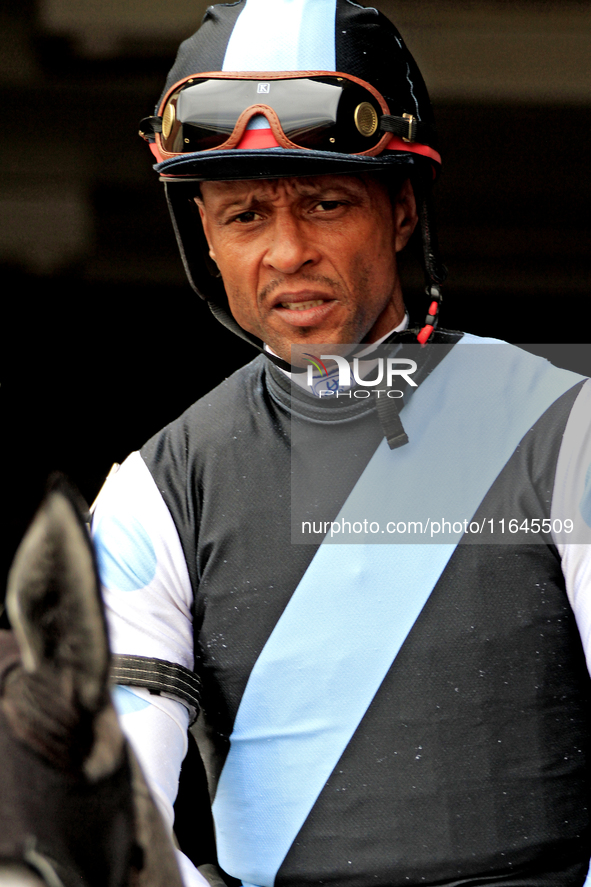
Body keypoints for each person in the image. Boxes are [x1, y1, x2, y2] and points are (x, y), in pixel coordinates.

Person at [91, 2, 591, 886]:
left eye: (325, 203)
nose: (287, 251)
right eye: (245, 215)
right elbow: (102, 821)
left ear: (400, 210)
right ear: (204, 236)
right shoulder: (153, 493)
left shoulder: (566, 429)